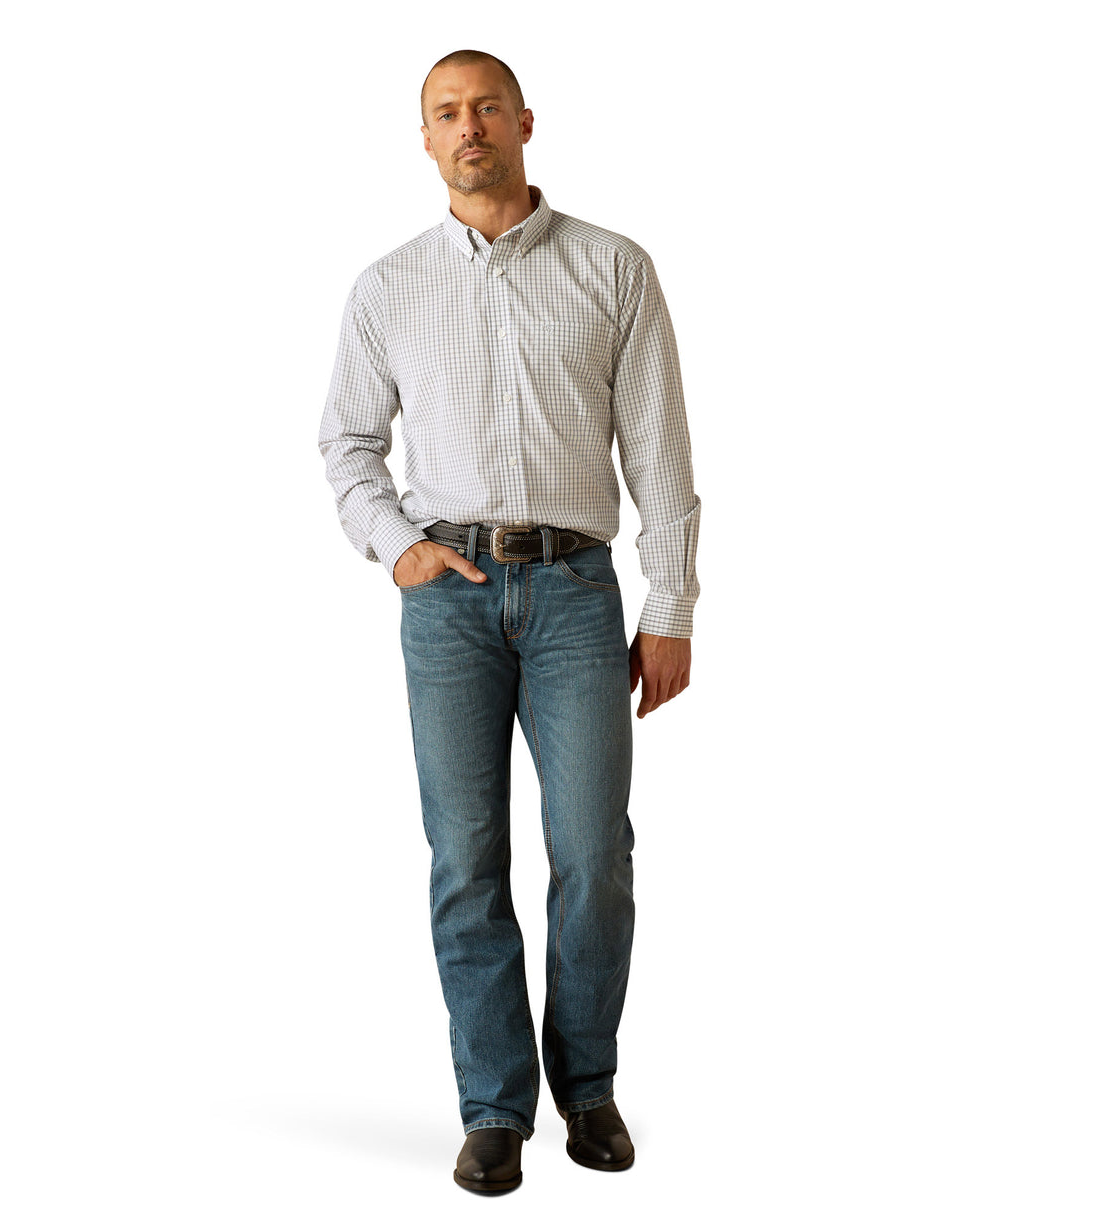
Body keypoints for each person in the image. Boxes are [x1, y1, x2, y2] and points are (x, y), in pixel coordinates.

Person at [318, 48, 701, 1194]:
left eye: (485, 105)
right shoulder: (388, 287)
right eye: (445, 112)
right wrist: (399, 548)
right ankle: (496, 1109)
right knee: (467, 860)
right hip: (448, 603)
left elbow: (664, 458)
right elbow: (344, 444)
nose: (468, 125)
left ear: (524, 121)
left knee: (596, 855)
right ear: (425, 139)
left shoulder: (613, 267)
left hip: (579, 593)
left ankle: (587, 1089)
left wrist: (671, 606)